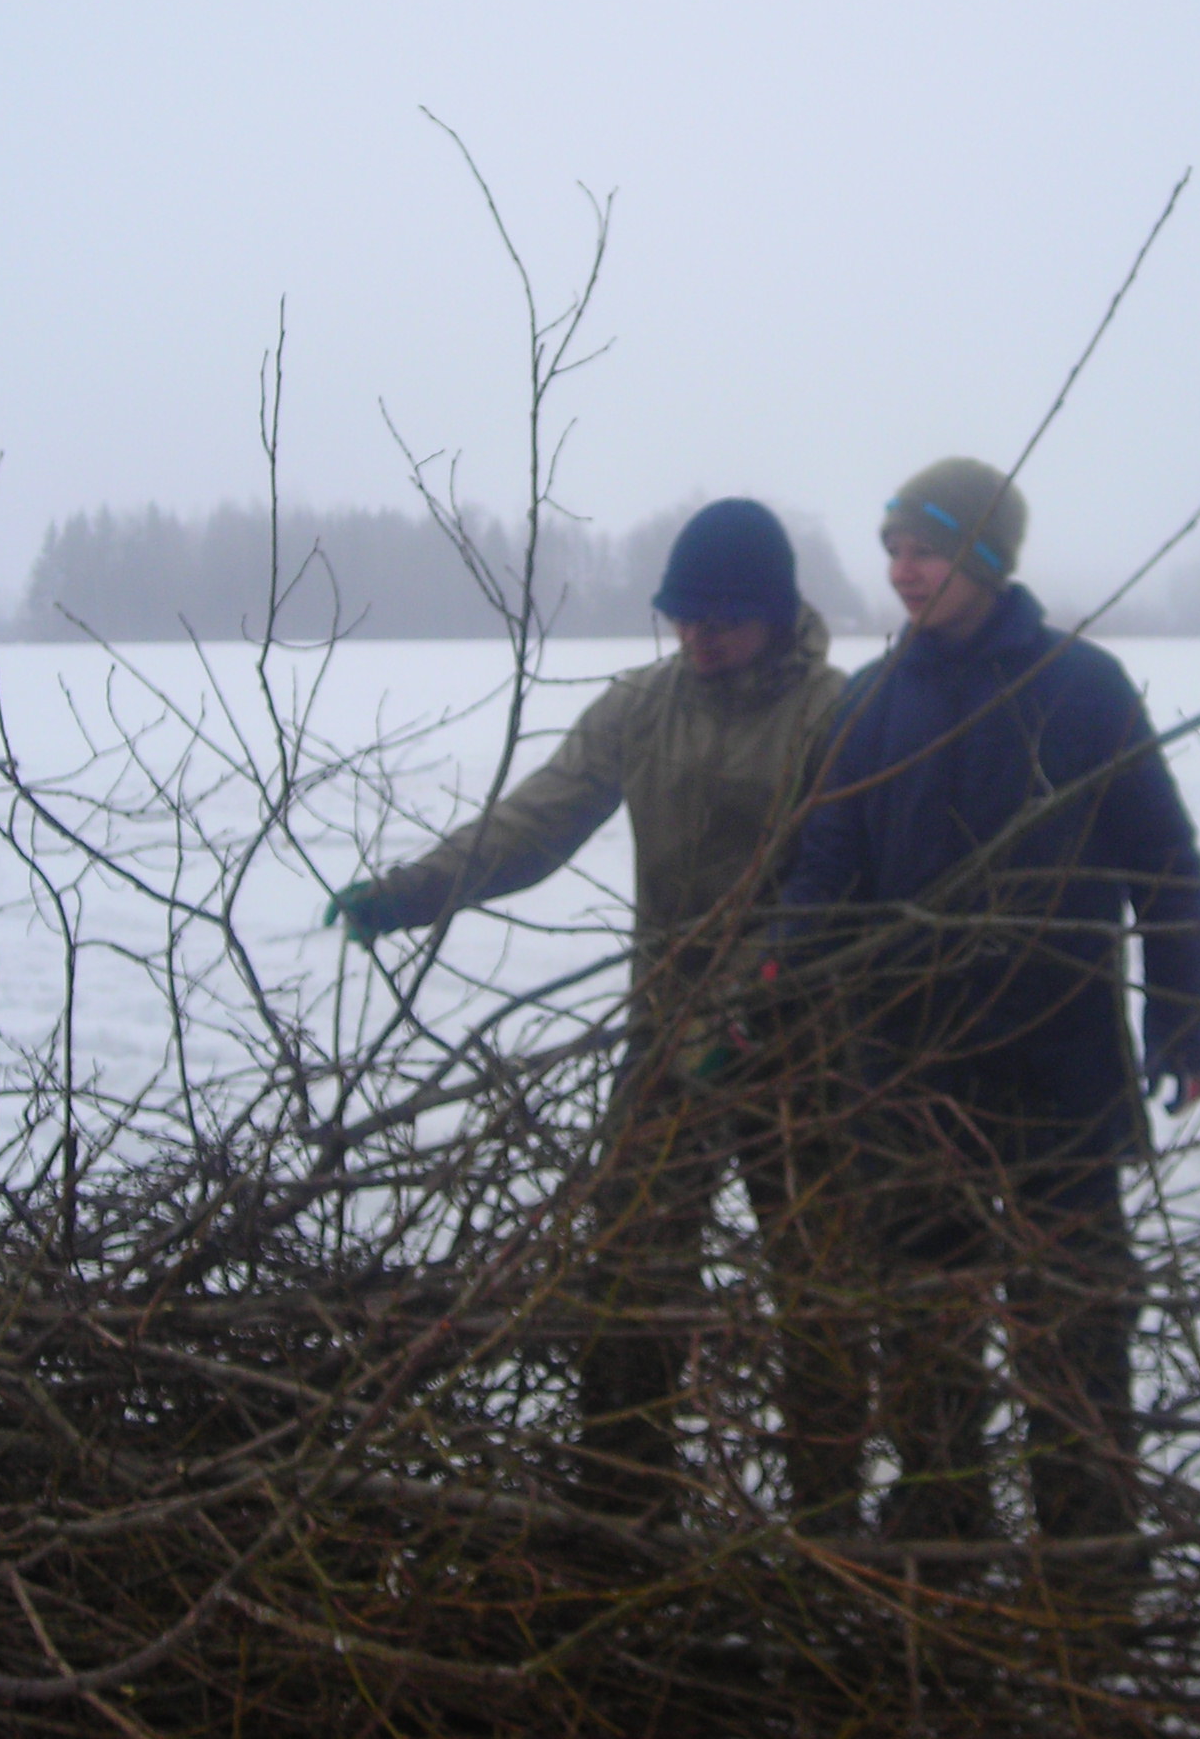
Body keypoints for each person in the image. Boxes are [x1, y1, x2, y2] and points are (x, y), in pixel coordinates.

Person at [325, 497, 858, 1525]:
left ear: (775, 614)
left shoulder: (831, 714)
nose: (697, 639)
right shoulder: (641, 706)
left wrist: (757, 997)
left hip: (801, 1047)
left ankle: (825, 1524)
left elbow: (832, 891)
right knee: (630, 1265)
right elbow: (535, 820)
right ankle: (622, 1496)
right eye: (680, 618)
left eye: (721, 621)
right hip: (666, 1038)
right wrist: (414, 890)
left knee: (821, 1284)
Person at [774, 456, 1200, 1604]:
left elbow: (1163, 868)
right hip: (907, 1070)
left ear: (982, 556)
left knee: (1070, 1328)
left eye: (920, 548)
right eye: (890, 550)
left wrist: (1182, 1022)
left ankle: (1088, 1558)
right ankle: (943, 1534)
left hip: (1056, 1067)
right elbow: (825, 872)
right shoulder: (869, 705)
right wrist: (767, 984)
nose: (900, 571)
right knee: (923, 1323)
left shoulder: (1083, 689)